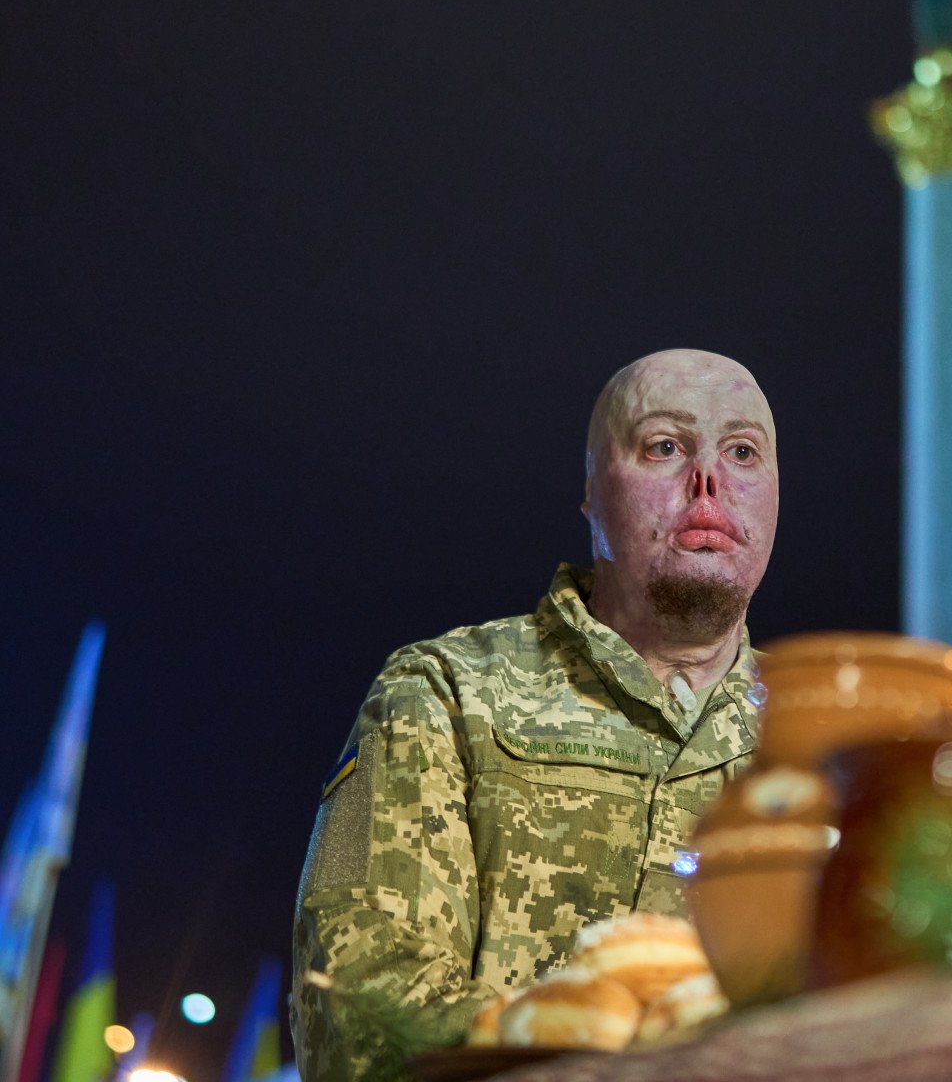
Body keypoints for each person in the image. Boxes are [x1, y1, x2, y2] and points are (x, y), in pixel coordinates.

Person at [291, 349, 778, 1081]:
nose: (708, 480)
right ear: (592, 494)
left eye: (742, 451)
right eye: (664, 446)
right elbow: (359, 1002)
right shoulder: (447, 692)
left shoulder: (820, 743)